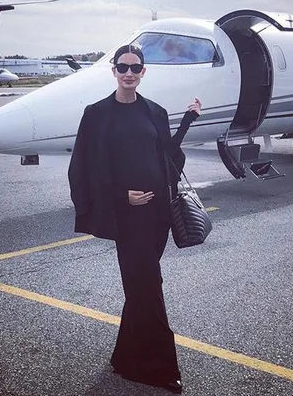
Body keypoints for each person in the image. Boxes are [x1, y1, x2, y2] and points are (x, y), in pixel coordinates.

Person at [68, 44, 201, 394]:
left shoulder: (155, 111)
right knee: (148, 285)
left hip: (157, 216)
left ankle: (125, 358)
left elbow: (170, 156)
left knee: (141, 287)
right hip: (125, 217)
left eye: (135, 68)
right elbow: (84, 166)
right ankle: (159, 368)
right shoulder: (96, 114)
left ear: (143, 72)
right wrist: (119, 195)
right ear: (113, 71)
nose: (129, 73)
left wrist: (187, 121)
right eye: (123, 67)